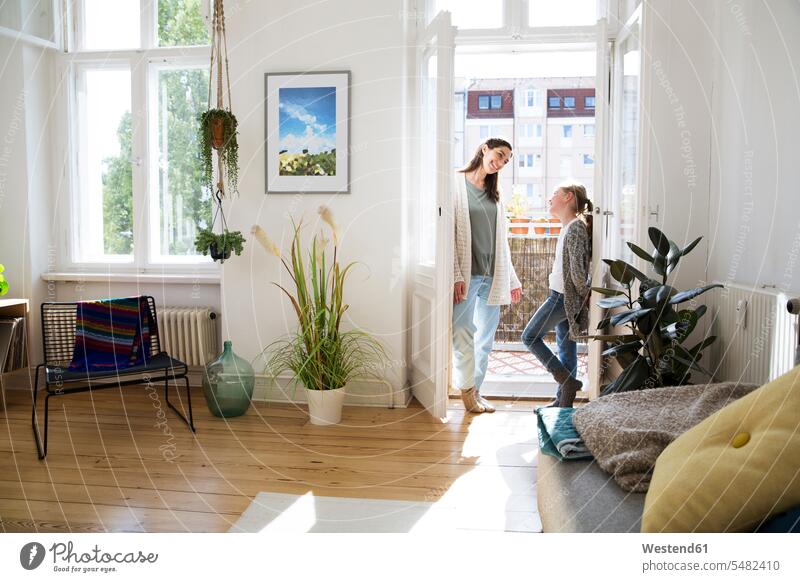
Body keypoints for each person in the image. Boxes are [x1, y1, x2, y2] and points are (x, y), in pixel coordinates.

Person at [452, 138, 522, 414]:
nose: (501, 162)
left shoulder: (496, 194)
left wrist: (513, 280)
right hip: (467, 276)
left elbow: (501, 242)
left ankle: (476, 391)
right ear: (484, 149)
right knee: (461, 332)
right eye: (499, 155)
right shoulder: (455, 184)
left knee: (485, 340)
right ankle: (467, 392)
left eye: (506, 161)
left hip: (492, 277)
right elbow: (447, 234)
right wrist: (455, 274)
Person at [522, 181, 592, 408]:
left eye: (554, 193)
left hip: (563, 297)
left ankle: (567, 382)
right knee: (566, 349)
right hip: (562, 294)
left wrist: (583, 295)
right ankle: (564, 401)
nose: (549, 198)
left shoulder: (575, 228)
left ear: (568, 197)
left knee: (529, 337)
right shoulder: (568, 227)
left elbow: (578, 271)